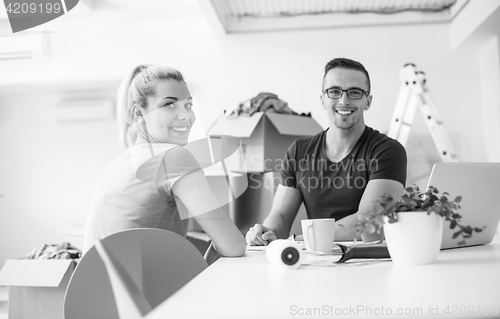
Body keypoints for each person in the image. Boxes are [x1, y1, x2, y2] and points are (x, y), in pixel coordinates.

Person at [83, 64, 246, 258]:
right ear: (138, 113)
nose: (186, 115)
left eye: (188, 105)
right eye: (169, 104)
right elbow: (234, 246)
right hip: (142, 287)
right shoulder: (173, 156)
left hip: (101, 287)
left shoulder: (118, 164)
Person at [246, 57, 407, 245]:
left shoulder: (388, 151)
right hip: (317, 258)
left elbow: (368, 221)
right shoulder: (299, 151)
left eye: (355, 92)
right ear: (322, 99)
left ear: (368, 101)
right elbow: (281, 216)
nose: (344, 100)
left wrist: (298, 240)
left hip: (369, 260)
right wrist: (267, 233)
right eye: (334, 92)